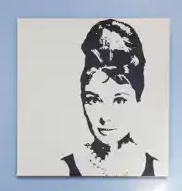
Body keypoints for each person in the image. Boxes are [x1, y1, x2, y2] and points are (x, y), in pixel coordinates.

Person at [61, 19, 157, 176]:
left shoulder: (157, 169)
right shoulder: (63, 170)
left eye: (119, 100)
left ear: (138, 99)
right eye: (93, 99)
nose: (105, 118)